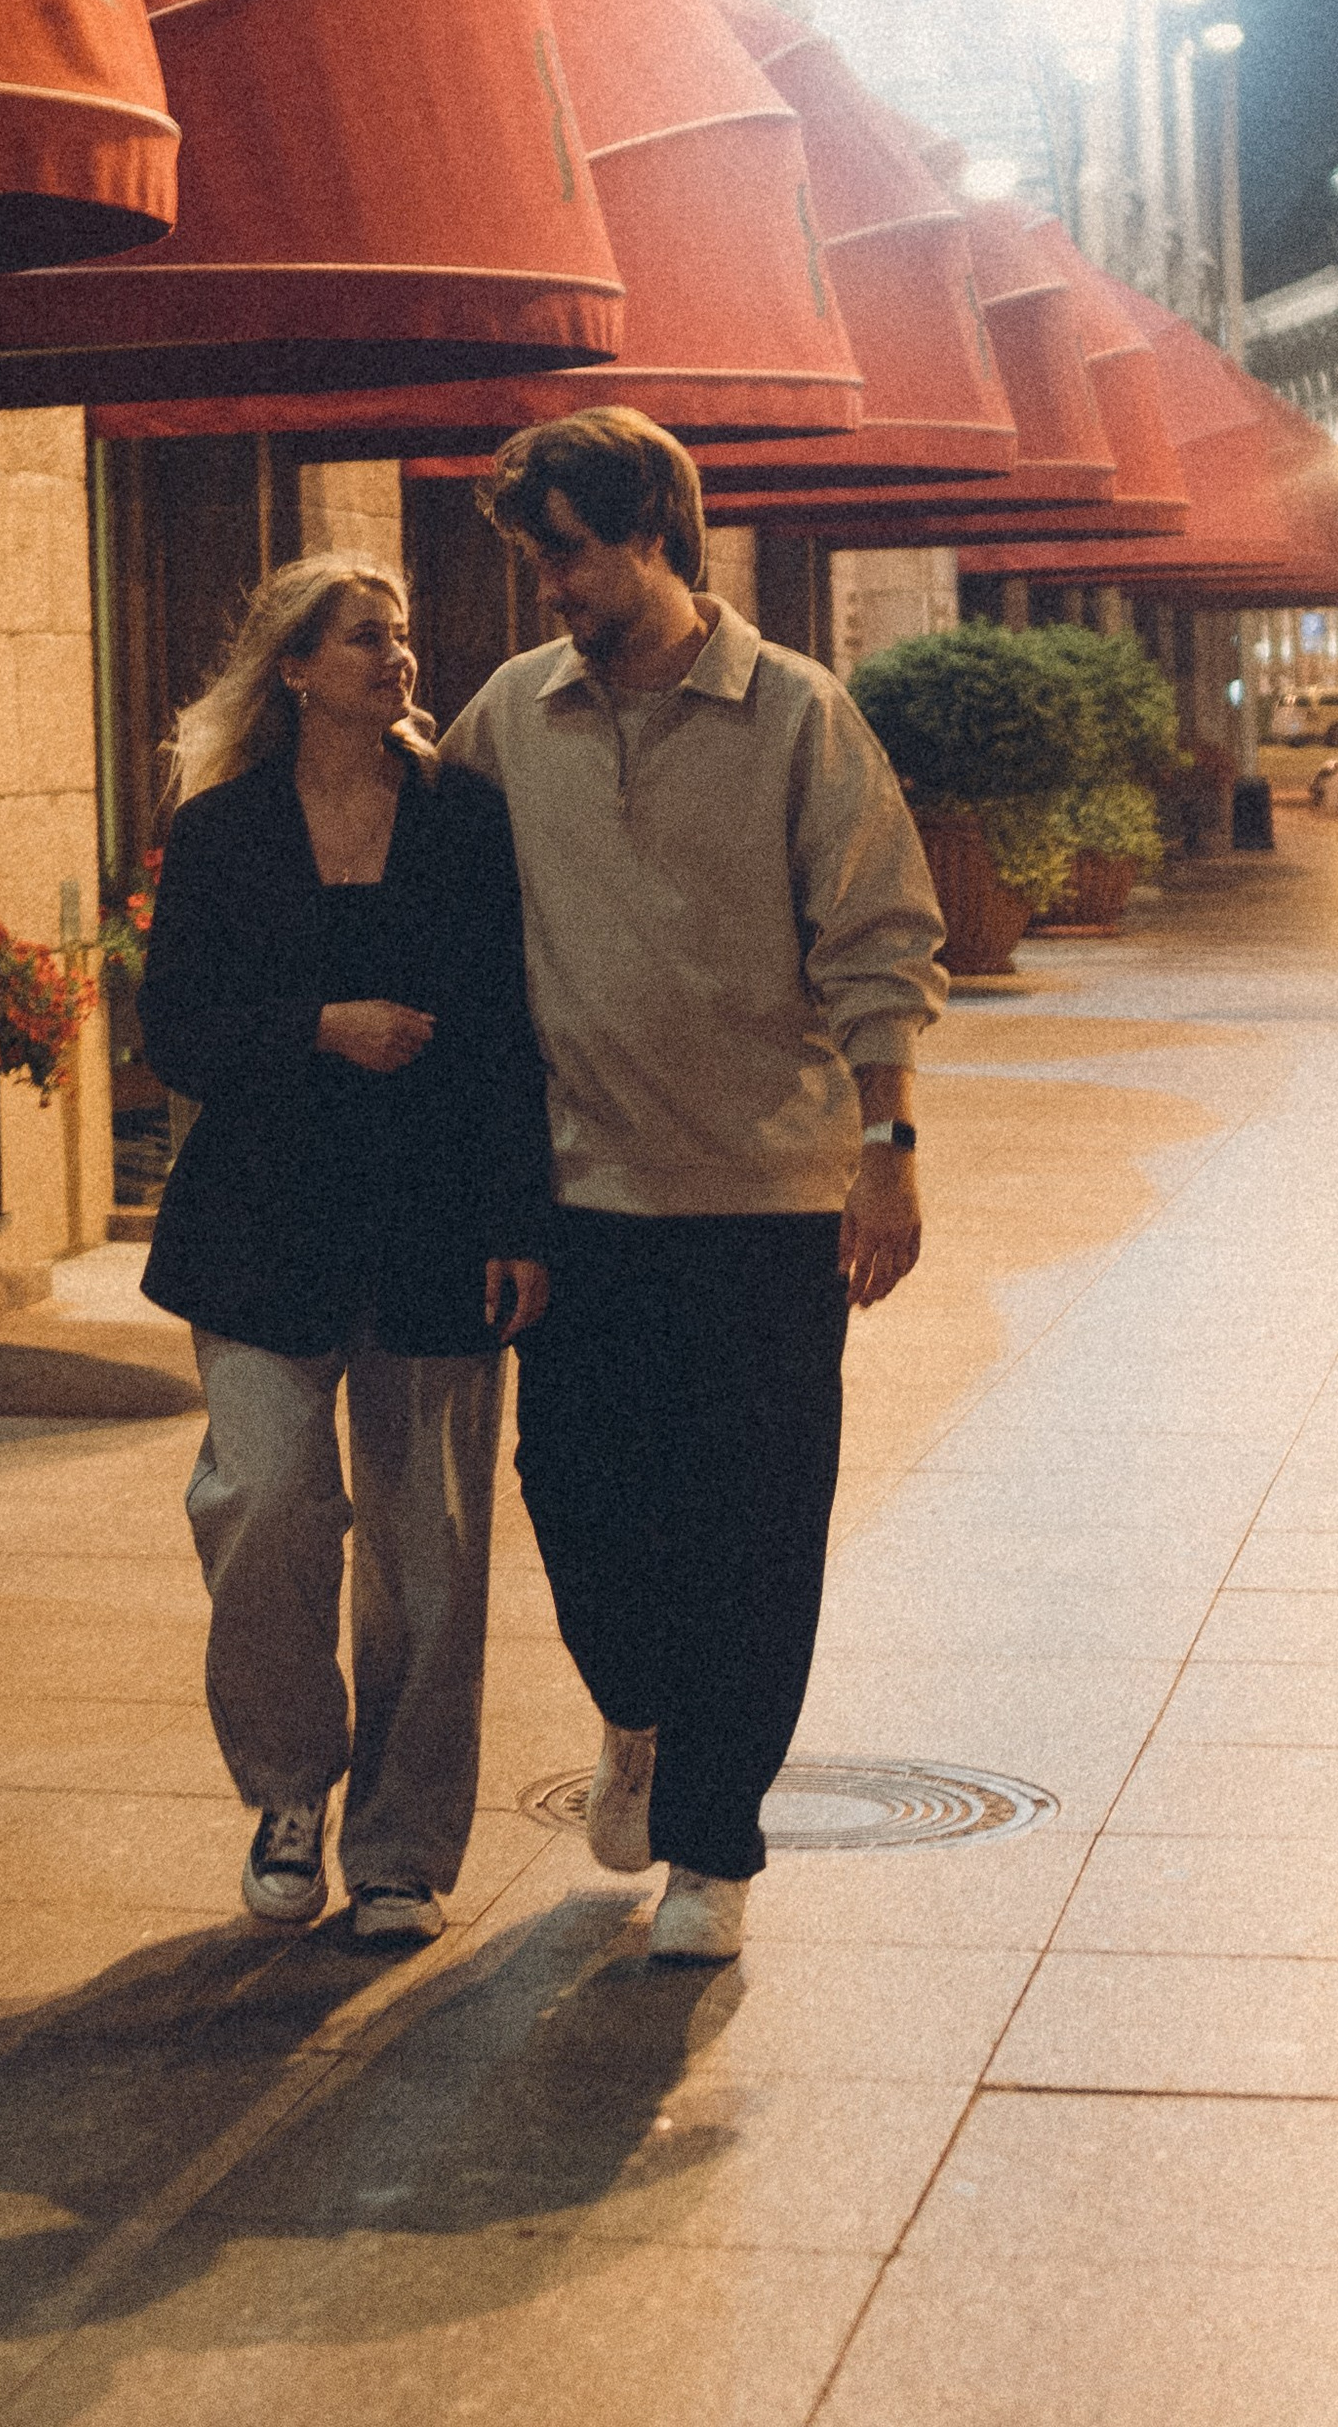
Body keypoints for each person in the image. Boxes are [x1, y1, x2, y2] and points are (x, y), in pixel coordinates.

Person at [440, 409, 946, 1962]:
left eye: (568, 551)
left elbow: (879, 935)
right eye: (533, 556)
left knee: (758, 1524)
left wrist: (890, 1150)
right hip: (580, 1197)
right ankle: (644, 1715)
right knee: (575, 1498)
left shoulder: (794, 712)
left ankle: (713, 1850)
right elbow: (434, 893)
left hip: (769, 1195)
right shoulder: (511, 717)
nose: (547, 586)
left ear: (654, 530)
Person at [138, 552, 554, 1946]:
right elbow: (175, 1031)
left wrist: (519, 1221)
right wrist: (322, 1026)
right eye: (367, 638)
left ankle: (399, 1851)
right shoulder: (221, 829)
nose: (400, 659)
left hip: (436, 1217)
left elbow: (508, 1032)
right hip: (260, 1223)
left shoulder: (462, 819)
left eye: (404, 634)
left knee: (430, 1552)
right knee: (259, 1507)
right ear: (296, 668)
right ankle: (287, 1790)